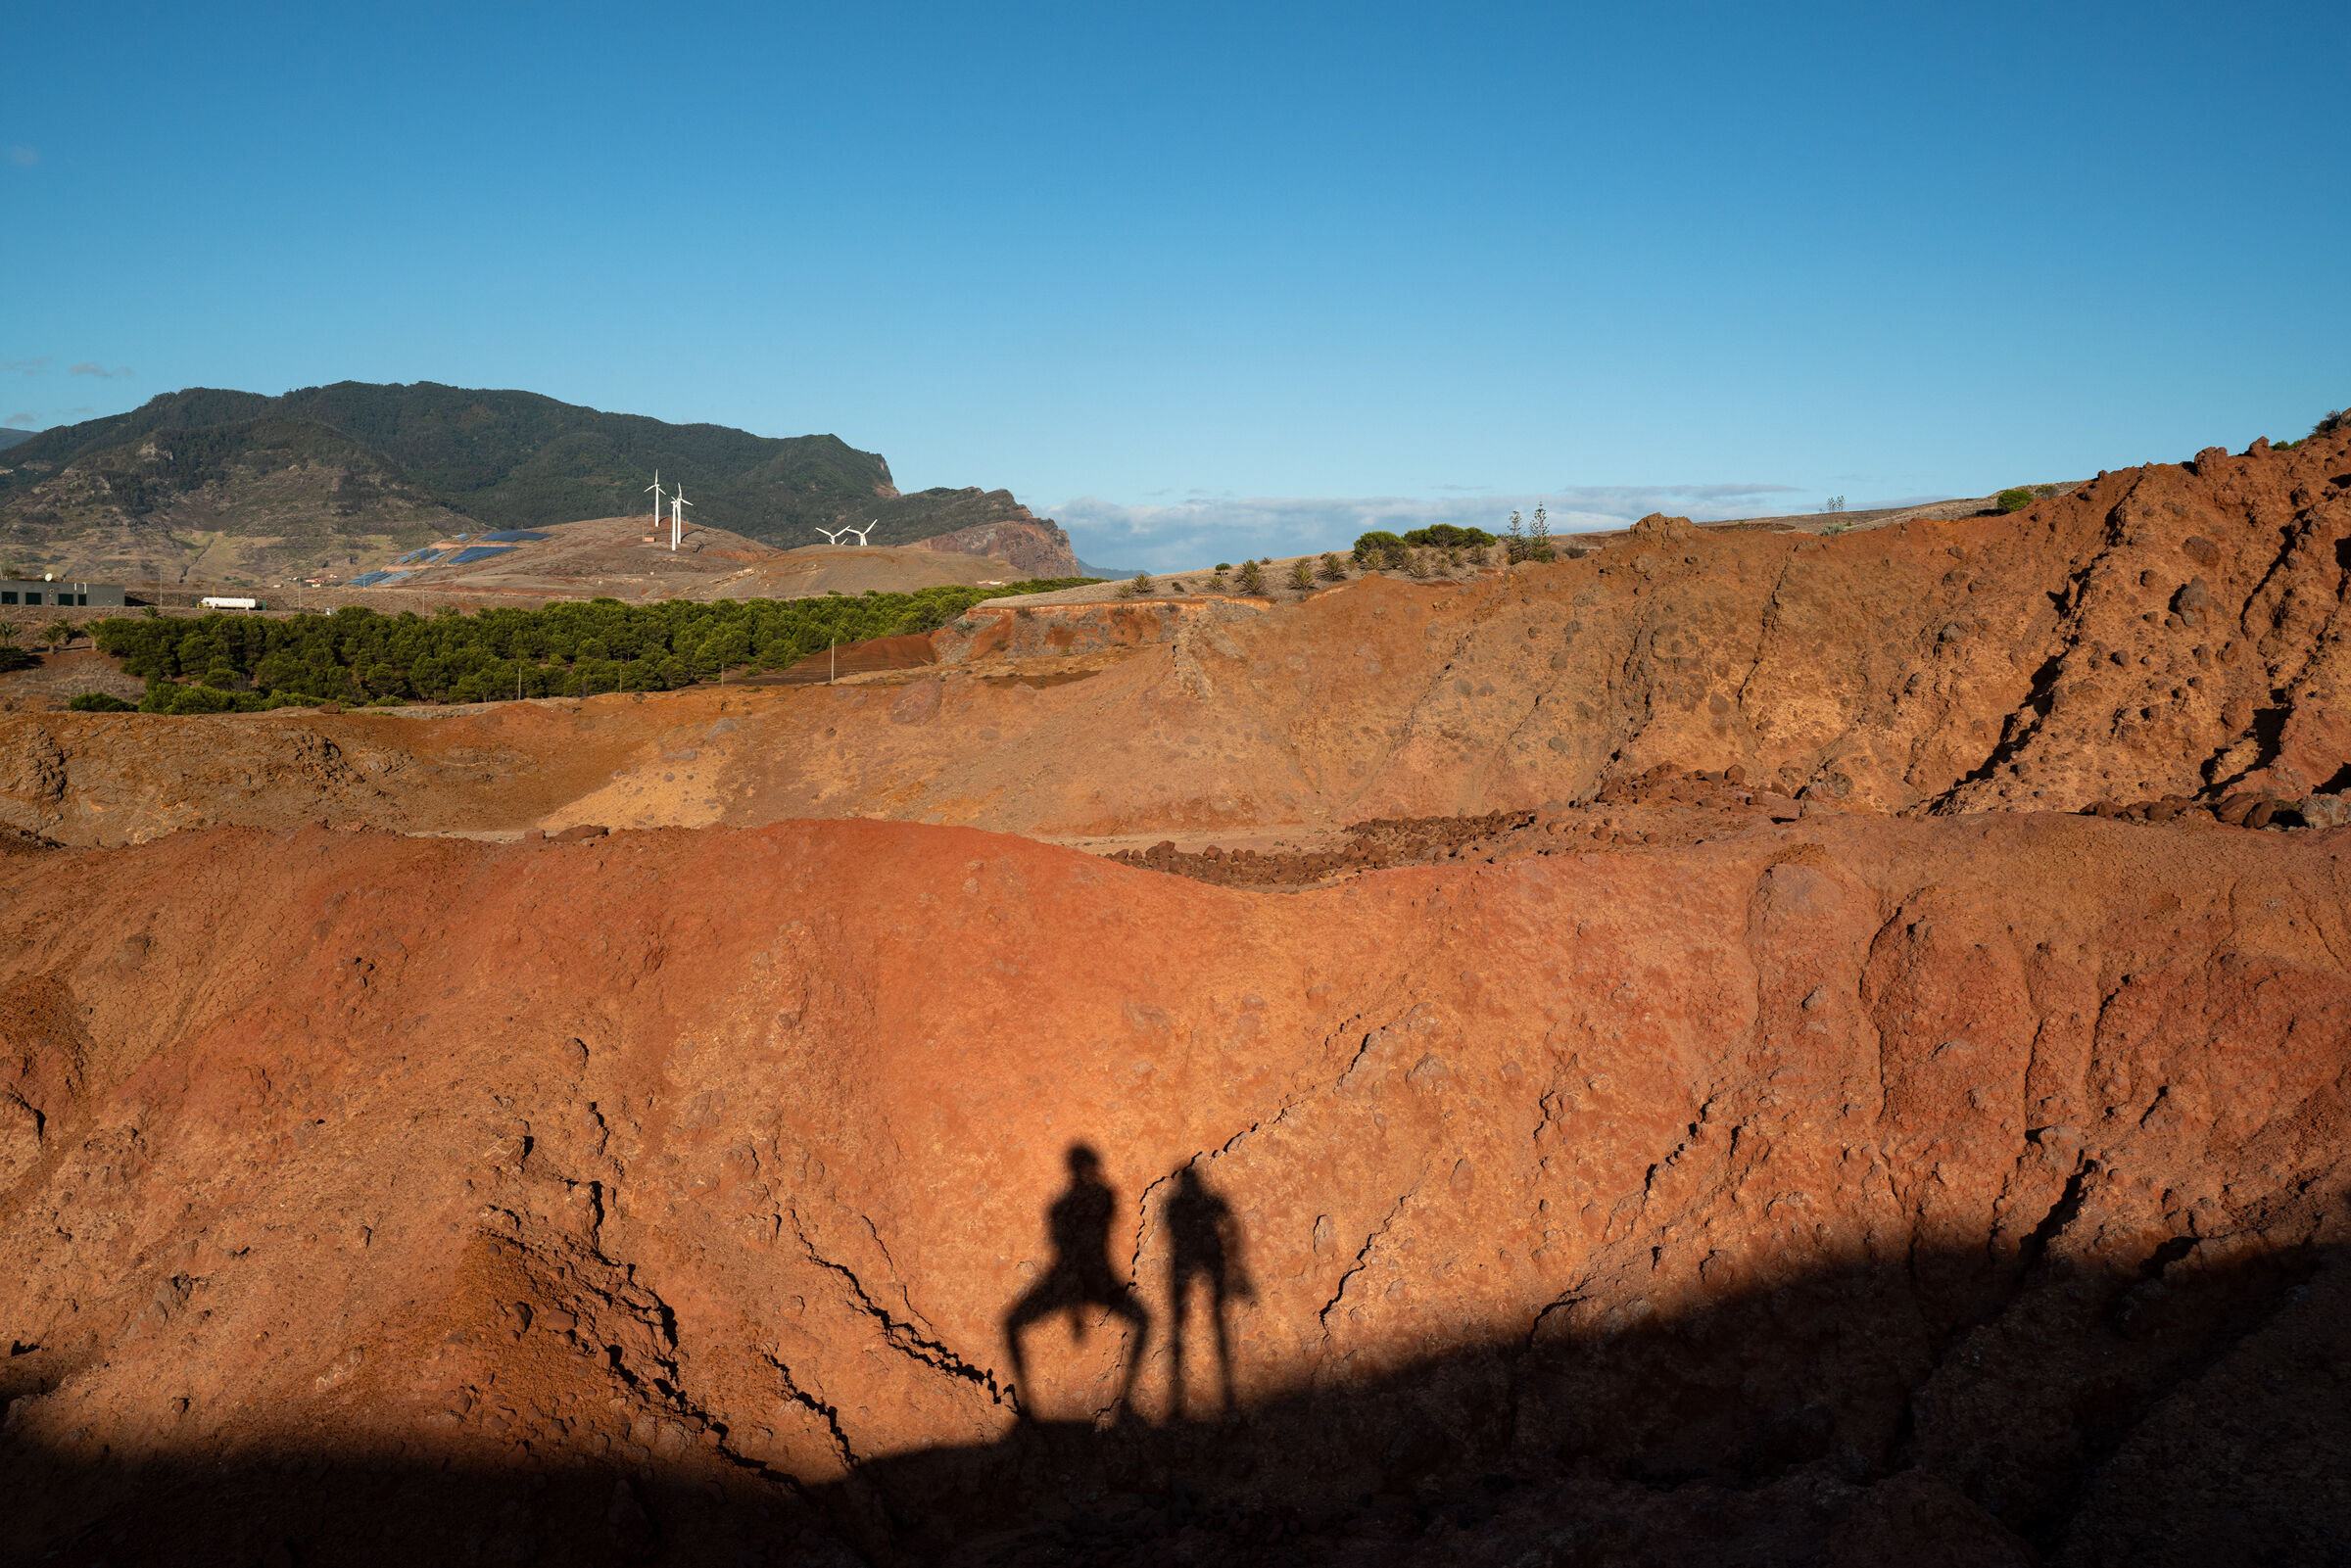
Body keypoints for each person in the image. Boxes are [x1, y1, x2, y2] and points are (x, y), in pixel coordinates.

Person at [1002, 1144, 1150, 1418]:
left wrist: (1075, 1308)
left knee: (1143, 1320)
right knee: (1011, 1323)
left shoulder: (1092, 1199)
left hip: (1095, 1279)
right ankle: (1027, 1405)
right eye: (1084, 1166)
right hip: (1074, 1280)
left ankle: (1126, 1400)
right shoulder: (1069, 1205)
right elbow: (1070, 1253)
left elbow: (1084, 1243)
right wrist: (1074, 1309)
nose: (1087, 1172)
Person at [1164, 1163, 1252, 1420]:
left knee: (1185, 1321)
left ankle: (1181, 1395)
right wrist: (1235, 1265)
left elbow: (1228, 1227)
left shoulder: (1176, 1203)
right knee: (1204, 1320)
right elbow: (1230, 1228)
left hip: (1191, 1257)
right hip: (1204, 1255)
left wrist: (1235, 1266)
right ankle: (1221, 1391)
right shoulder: (1208, 1201)